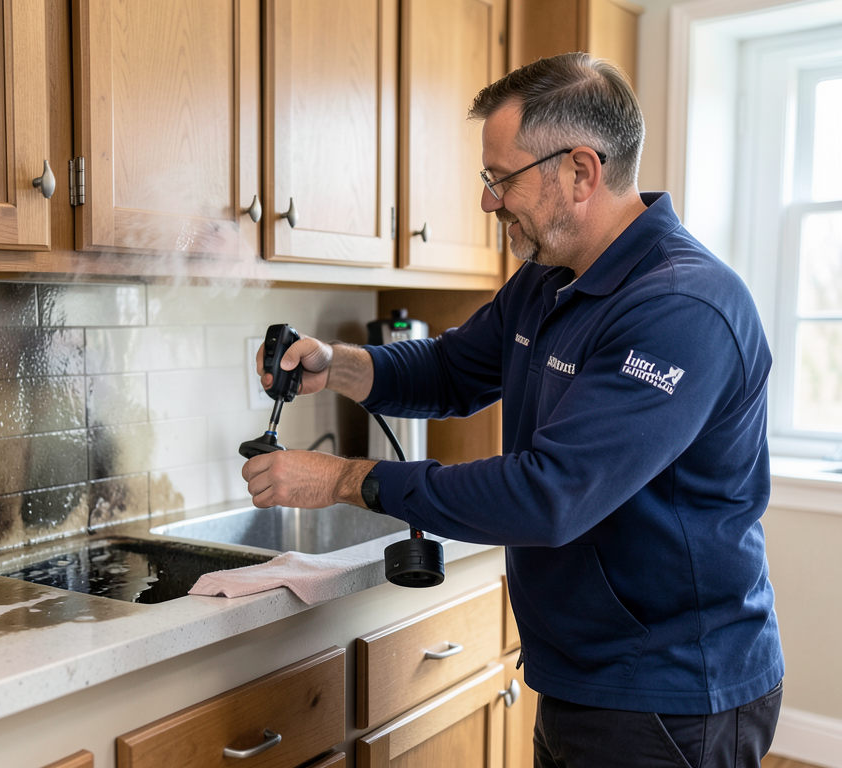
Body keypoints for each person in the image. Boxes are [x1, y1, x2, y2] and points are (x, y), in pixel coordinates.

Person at [241, 52, 784, 767]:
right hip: (580, 671)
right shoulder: (549, 278)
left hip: (671, 689)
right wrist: (336, 364)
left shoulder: (682, 308)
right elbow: (453, 368)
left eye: (501, 178)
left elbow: (549, 495)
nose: (488, 202)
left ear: (581, 172)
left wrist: (344, 479)